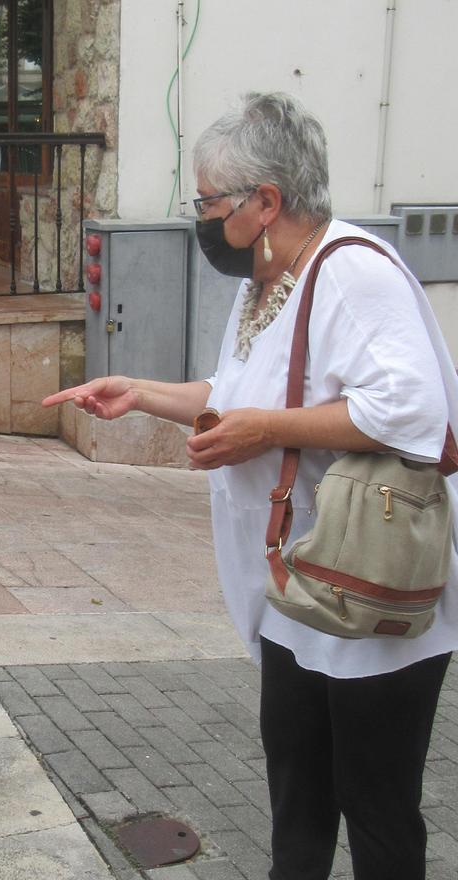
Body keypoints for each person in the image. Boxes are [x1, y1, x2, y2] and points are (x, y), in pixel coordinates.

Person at [43, 92, 458, 880]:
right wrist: (141, 391)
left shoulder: (352, 274)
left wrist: (267, 430)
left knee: (376, 807)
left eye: (208, 201)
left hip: (367, 591)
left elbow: (411, 409)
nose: (201, 219)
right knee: (297, 793)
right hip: (296, 590)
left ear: (266, 202)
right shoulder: (267, 283)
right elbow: (235, 395)